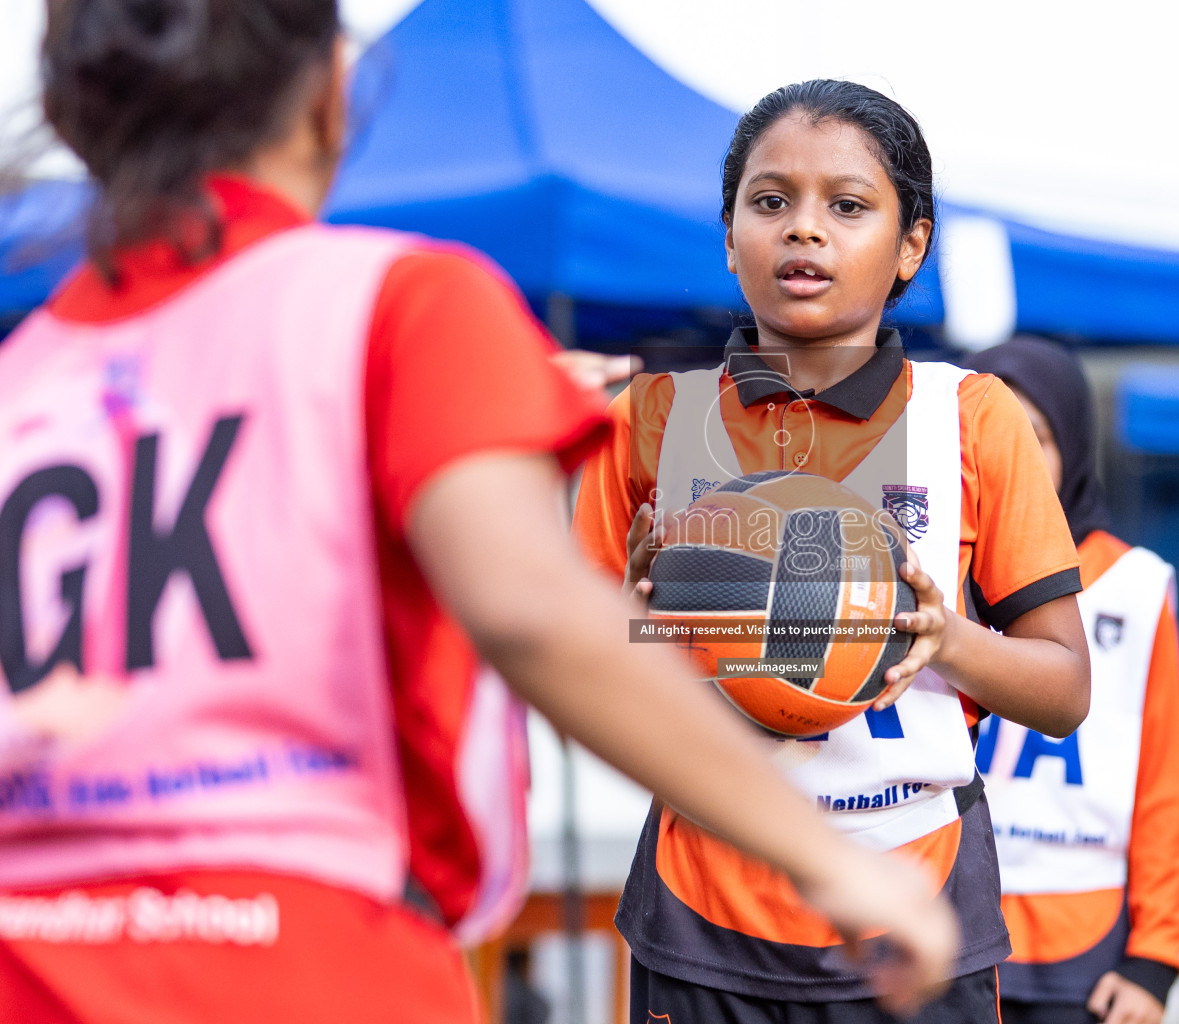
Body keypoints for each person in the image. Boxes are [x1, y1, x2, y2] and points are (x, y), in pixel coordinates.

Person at [0, 6, 959, 1021]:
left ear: (67, 110)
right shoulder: (399, 303)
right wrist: (825, 858)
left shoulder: (26, 380)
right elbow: (531, 609)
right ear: (333, 93)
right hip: (307, 954)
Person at [573, 80, 1092, 1022]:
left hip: (916, 895)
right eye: (770, 203)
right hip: (706, 908)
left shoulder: (972, 419)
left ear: (912, 246)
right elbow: (573, 676)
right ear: (729, 235)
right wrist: (635, 623)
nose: (804, 230)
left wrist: (947, 638)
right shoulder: (649, 421)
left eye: (847, 207)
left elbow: (1063, 690)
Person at [962, 336, 1179, 1024]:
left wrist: (1155, 958)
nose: (1012, 459)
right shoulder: (925, 569)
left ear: (1073, 450)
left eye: (1034, 437)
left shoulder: (1137, 584)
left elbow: (1161, 778)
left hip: (1083, 937)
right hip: (944, 918)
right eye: (989, 436)